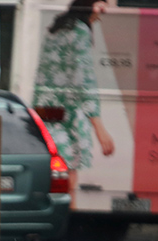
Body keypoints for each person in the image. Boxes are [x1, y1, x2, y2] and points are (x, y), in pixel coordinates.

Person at [33, 0, 114, 202]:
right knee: (69, 177)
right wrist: (99, 126)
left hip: (47, 110)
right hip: (69, 113)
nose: (104, 10)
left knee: (55, 172)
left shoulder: (56, 28)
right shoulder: (80, 31)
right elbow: (84, 79)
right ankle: (64, 225)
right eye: (101, 4)